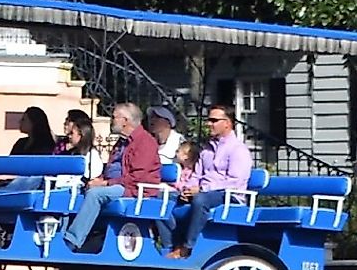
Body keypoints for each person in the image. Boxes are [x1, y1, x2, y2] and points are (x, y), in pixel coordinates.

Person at [65, 102, 157, 251]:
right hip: (116, 184)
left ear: (125, 120)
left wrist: (106, 183)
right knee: (76, 190)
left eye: (114, 117)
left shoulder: (145, 142)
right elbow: (111, 168)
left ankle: (72, 241)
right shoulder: (122, 142)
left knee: (95, 194)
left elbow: (137, 177)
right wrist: (99, 179)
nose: (111, 120)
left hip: (133, 189)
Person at [169, 101, 253, 259]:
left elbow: (234, 181)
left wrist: (201, 190)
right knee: (165, 199)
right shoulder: (207, 149)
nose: (209, 124)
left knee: (201, 200)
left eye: (214, 120)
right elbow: (197, 175)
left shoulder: (238, 150)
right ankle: (169, 244)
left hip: (229, 196)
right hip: (205, 193)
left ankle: (187, 247)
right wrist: (187, 189)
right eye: (209, 120)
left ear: (227, 123)